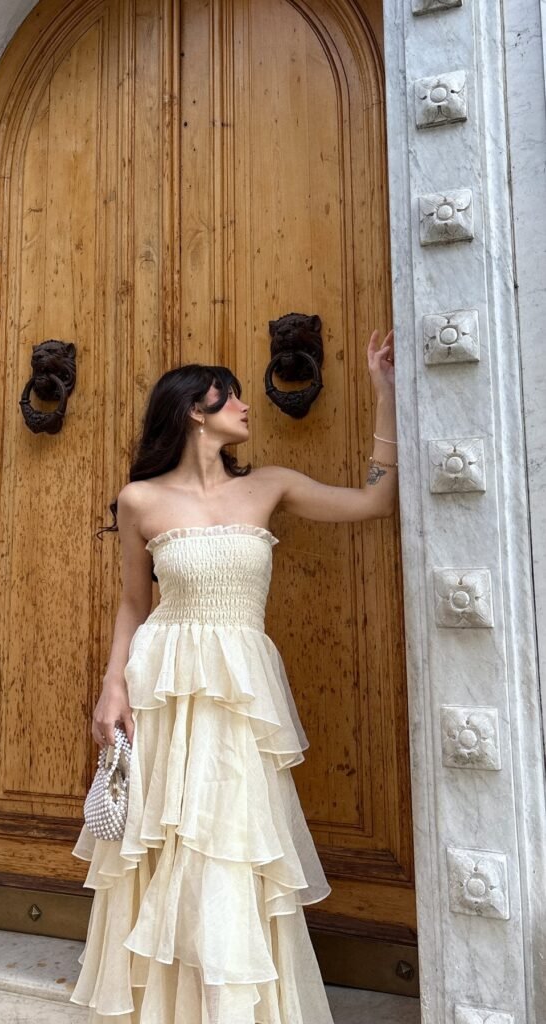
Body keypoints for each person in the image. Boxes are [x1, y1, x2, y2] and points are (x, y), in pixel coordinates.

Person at [69, 329, 397, 1022]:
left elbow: (374, 503)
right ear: (195, 408)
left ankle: (229, 1004)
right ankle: (168, 1004)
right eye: (231, 396)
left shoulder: (270, 486)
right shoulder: (140, 500)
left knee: (230, 834)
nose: (246, 406)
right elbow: (134, 603)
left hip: (240, 686)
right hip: (163, 681)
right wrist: (112, 687)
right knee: (169, 839)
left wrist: (385, 395)